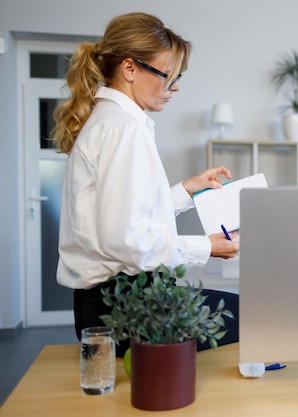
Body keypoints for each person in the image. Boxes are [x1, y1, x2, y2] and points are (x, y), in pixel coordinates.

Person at [51, 12, 239, 356]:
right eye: (168, 75)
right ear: (130, 69)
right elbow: (130, 241)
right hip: (125, 308)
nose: (175, 86)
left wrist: (185, 190)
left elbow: (124, 218)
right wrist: (207, 247)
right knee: (250, 316)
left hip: (106, 307)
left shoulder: (110, 121)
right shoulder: (124, 129)